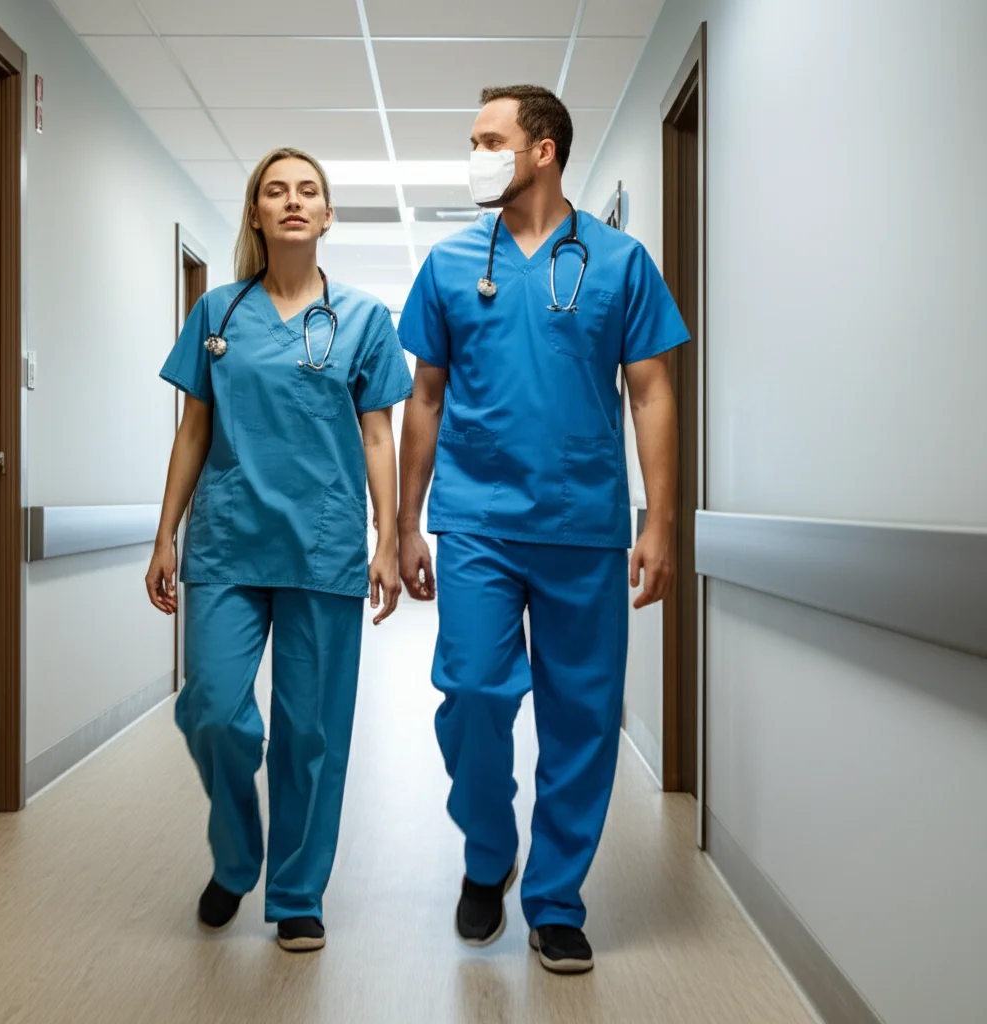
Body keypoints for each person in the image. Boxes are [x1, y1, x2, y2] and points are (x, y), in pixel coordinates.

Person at [396, 86, 688, 974]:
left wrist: (659, 521)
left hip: (582, 523)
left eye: (489, 138)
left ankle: (555, 901)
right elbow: (427, 397)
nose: (476, 153)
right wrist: (404, 523)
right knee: (476, 694)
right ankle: (489, 854)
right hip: (479, 522)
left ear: (545, 150)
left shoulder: (620, 262)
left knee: (582, 718)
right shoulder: (450, 264)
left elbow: (650, 392)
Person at [146, 147, 413, 953]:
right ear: (256, 214)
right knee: (217, 713)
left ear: (327, 215)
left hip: (325, 546)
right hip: (227, 543)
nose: (292, 201)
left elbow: (378, 436)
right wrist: (165, 531)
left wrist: (388, 539)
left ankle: (297, 892)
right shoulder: (218, 315)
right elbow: (194, 429)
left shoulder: (365, 319)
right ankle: (236, 861)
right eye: (275, 190)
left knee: (312, 733)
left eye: (308, 191)